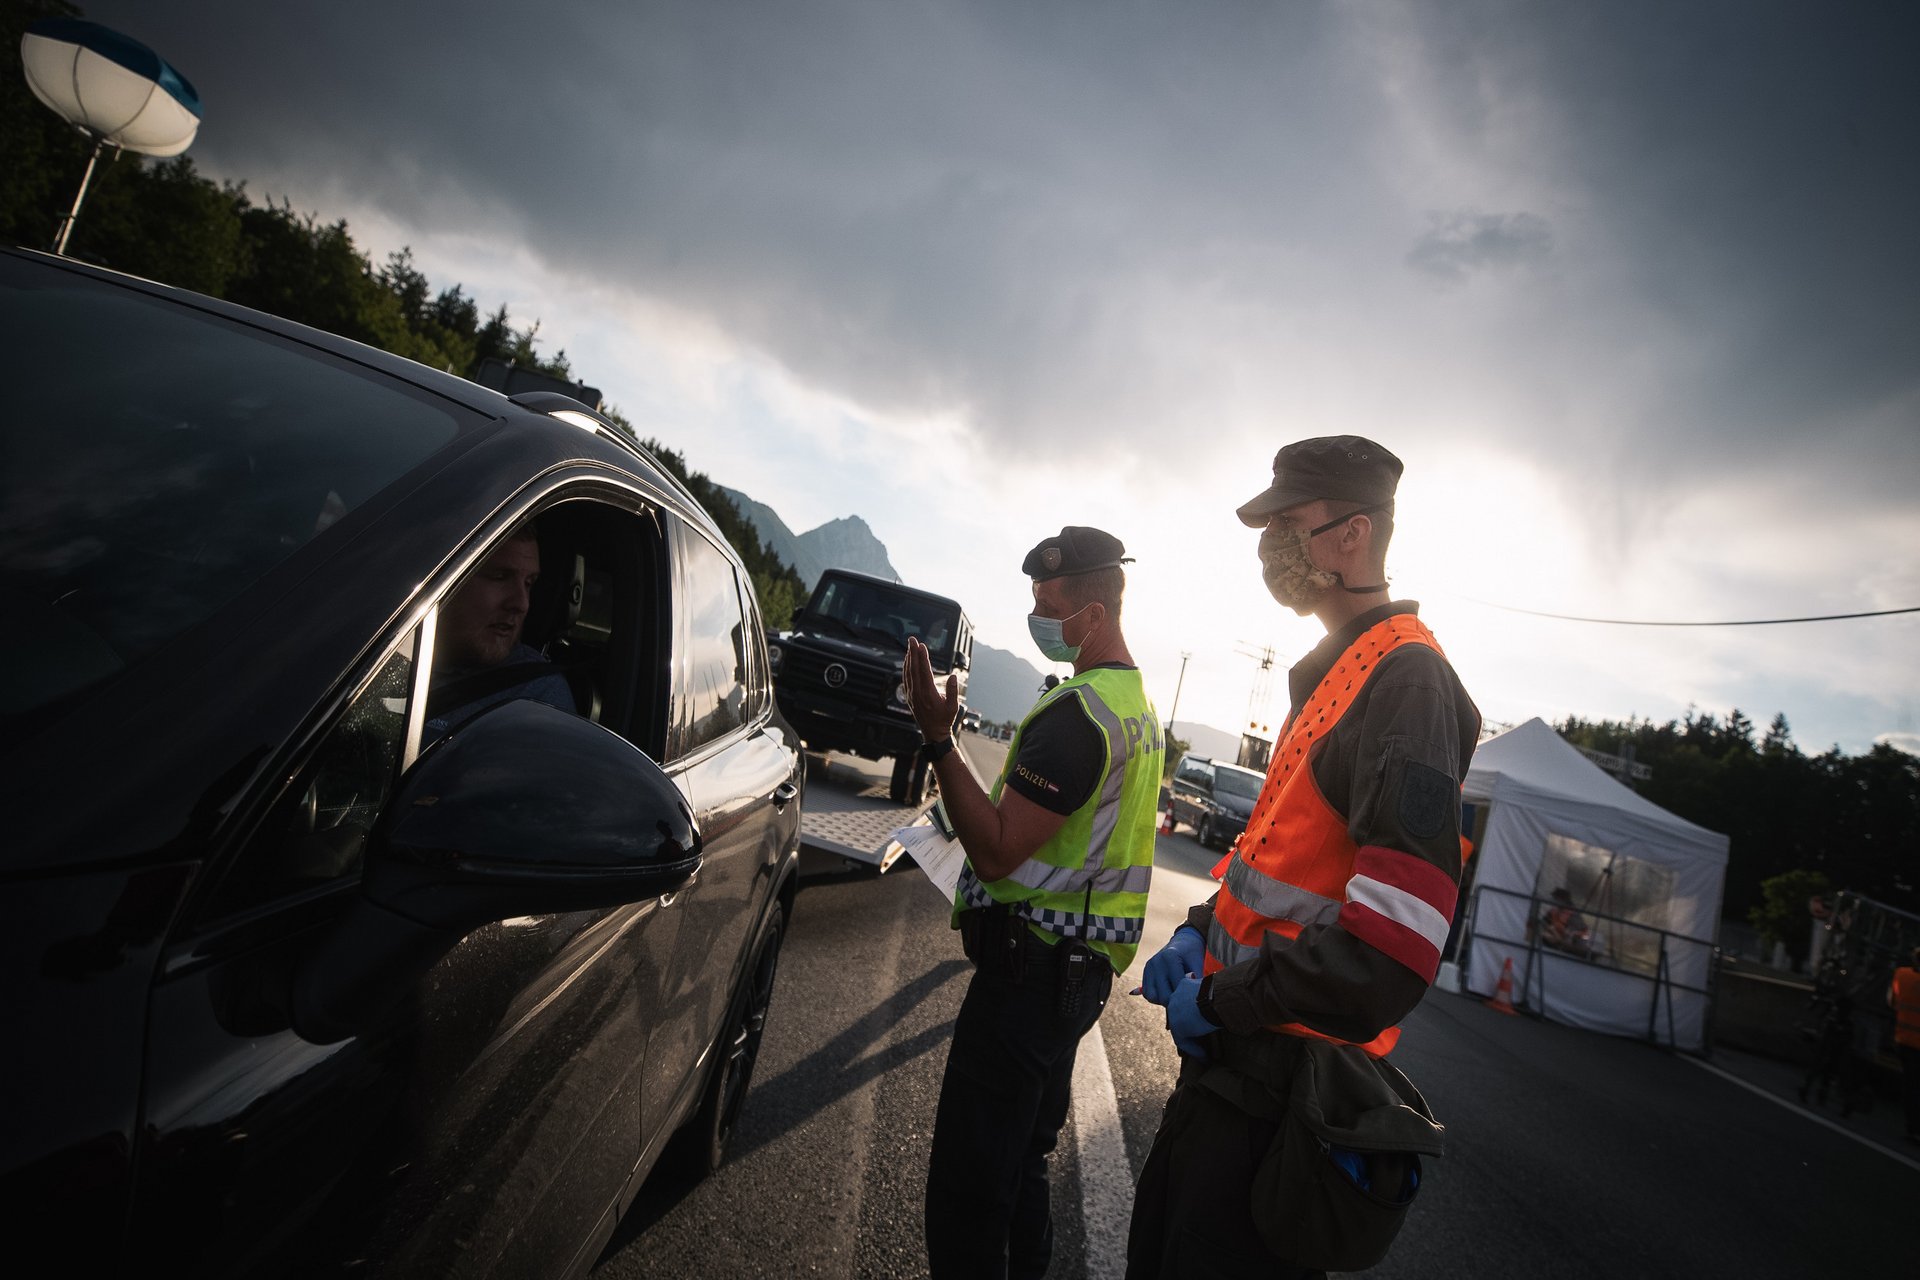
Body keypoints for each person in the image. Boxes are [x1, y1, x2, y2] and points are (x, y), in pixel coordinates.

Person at [1129, 435, 1480, 1279]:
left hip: (1279, 1101)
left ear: (1353, 536)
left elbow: (1393, 946)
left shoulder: (1407, 683)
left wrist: (1227, 996)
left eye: (1290, 521)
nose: (1270, 543)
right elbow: (1280, 862)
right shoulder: (1335, 673)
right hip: (1229, 1084)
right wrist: (1203, 931)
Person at [904, 526, 1163, 1280]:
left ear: (1093, 612)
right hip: (1072, 975)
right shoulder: (1132, 703)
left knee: (970, 1189)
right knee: (1022, 1167)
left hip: (1029, 982)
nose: (1037, 614)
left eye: (1047, 603)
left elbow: (997, 847)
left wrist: (939, 738)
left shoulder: (1080, 715)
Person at [423, 522, 578, 742]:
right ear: (446, 579)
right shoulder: (383, 648)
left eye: (529, 583)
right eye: (499, 576)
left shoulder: (532, 699)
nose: (521, 603)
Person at [1889, 947, 1920, 1143]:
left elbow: (1893, 1002)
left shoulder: (1902, 975)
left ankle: (1913, 1128)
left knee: (1911, 1088)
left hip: (1905, 1041)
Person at [1540, 887, 1590, 955]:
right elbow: (1544, 921)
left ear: (1562, 899)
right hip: (1555, 941)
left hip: (1568, 946)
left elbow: (1580, 934)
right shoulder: (1554, 910)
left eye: (1555, 898)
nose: (1553, 900)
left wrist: (1565, 936)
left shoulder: (1573, 914)